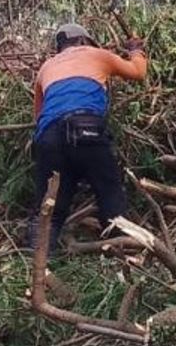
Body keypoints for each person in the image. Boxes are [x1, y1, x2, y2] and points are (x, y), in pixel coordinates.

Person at [28, 23, 147, 249]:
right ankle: (119, 251)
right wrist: (136, 50)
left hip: (49, 137)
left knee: (50, 205)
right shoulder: (97, 54)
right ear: (84, 41)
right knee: (109, 191)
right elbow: (139, 72)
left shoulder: (46, 67)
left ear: (60, 47)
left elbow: (39, 117)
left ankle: (39, 264)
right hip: (88, 129)